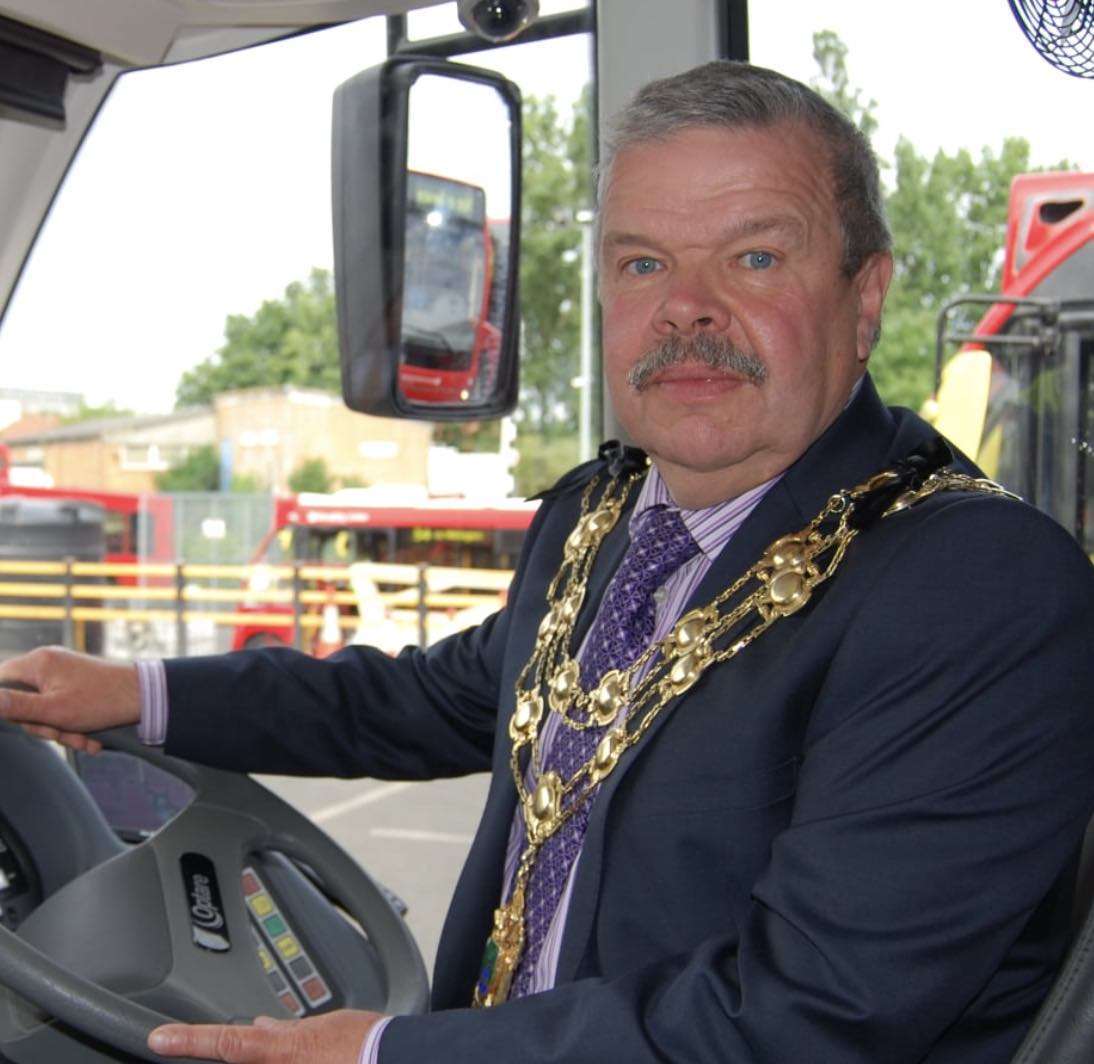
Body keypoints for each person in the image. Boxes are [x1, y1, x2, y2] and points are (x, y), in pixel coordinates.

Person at [3, 60, 1094, 1064]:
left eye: (754, 256)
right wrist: (132, 694)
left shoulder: (973, 585)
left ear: (863, 299)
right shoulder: (601, 515)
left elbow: (810, 1012)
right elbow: (422, 699)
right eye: (642, 262)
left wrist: (387, 1054)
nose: (687, 309)